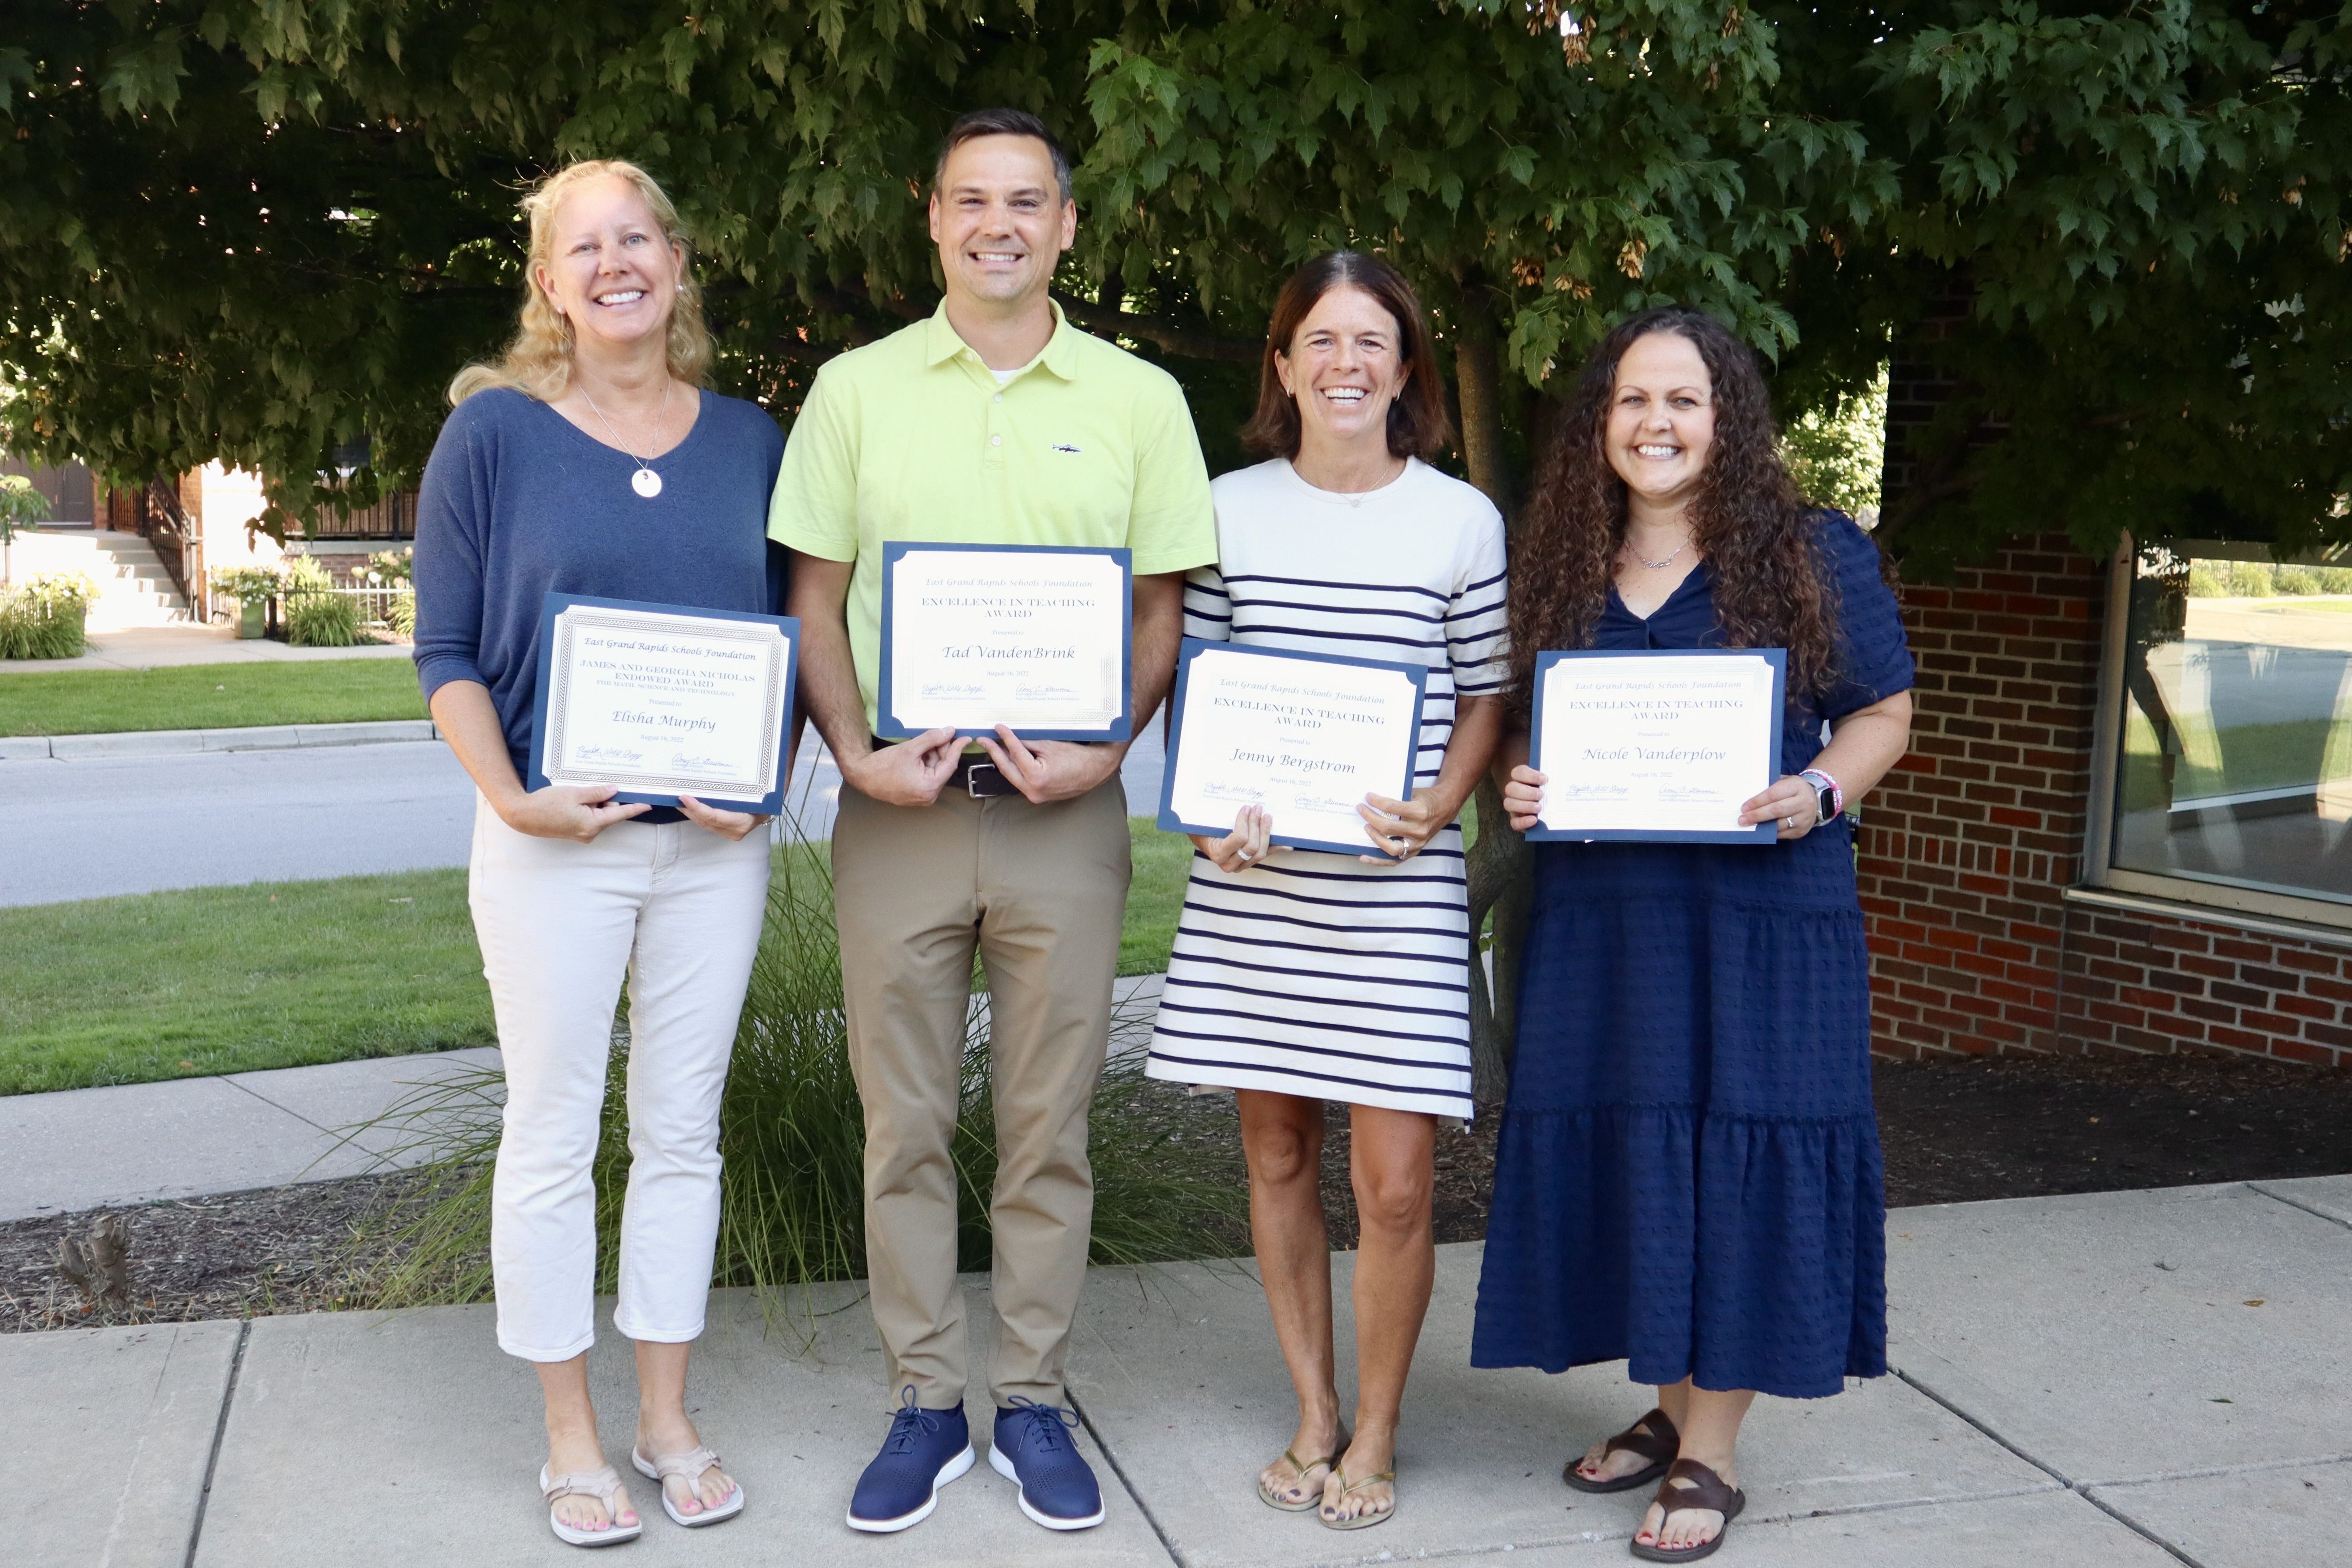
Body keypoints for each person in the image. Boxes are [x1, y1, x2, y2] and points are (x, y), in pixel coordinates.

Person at [771, 108, 1216, 1534]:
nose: (1000, 224)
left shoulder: (1141, 396)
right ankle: (921, 1400)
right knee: (901, 1121)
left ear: (1069, 226)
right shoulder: (857, 388)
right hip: (899, 810)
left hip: (1063, 822)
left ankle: (1029, 1398)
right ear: (935, 219)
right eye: (974, 200)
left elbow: (1164, 608)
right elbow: (816, 600)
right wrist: (851, 751)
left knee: (1048, 1125)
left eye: (1028, 201)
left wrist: (1110, 750)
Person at [1469, 307, 1914, 1563]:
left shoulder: (1811, 550)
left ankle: (1713, 1454)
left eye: (1683, 401)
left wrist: (1821, 790)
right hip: (1611, 923)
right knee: (1643, 1149)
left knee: (1738, 1148)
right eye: (1630, 401)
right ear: (1598, 423)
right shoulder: (1558, 559)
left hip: (1768, 915)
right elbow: (1517, 728)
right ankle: (1672, 1415)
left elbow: (1885, 712)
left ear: (1728, 419)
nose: (1655, 424)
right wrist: (1524, 780)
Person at [412, 159, 785, 1548]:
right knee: (555, 1132)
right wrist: (511, 799)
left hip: (709, 852)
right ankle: (572, 1437)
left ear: (678, 264)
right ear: (549, 282)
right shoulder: (495, 436)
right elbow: (444, 652)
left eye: (639, 238)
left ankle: (666, 1418)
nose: (617, 263)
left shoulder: (752, 439)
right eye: (587, 246)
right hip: (552, 843)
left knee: (682, 1129)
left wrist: (769, 783)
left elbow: (793, 639)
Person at [1143, 251, 1506, 1531]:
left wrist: (1443, 804)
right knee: (1277, 1146)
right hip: (1260, 887)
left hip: (1395, 889)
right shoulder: (1226, 508)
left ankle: (1382, 1428)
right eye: (1321, 341)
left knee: (1398, 1182)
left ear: (1407, 369)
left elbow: (1484, 690)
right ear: (1282, 364)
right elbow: (1199, 682)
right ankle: (1313, 1410)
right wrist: (1206, 822)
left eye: (1374, 342)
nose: (1346, 364)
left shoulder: (1461, 521)